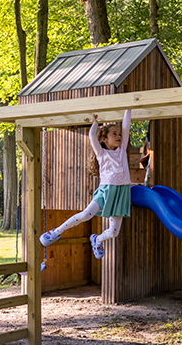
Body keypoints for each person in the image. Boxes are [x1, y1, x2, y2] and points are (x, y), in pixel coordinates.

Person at [39, 110, 133, 259]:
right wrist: (95, 123)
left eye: (119, 134)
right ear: (104, 139)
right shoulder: (101, 153)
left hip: (122, 193)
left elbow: (126, 126)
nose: (119, 136)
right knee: (86, 214)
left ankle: (97, 239)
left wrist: (128, 109)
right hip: (106, 191)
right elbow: (91, 136)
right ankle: (55, 232)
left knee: (114, 232)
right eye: (114, 134)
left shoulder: (122, 151)